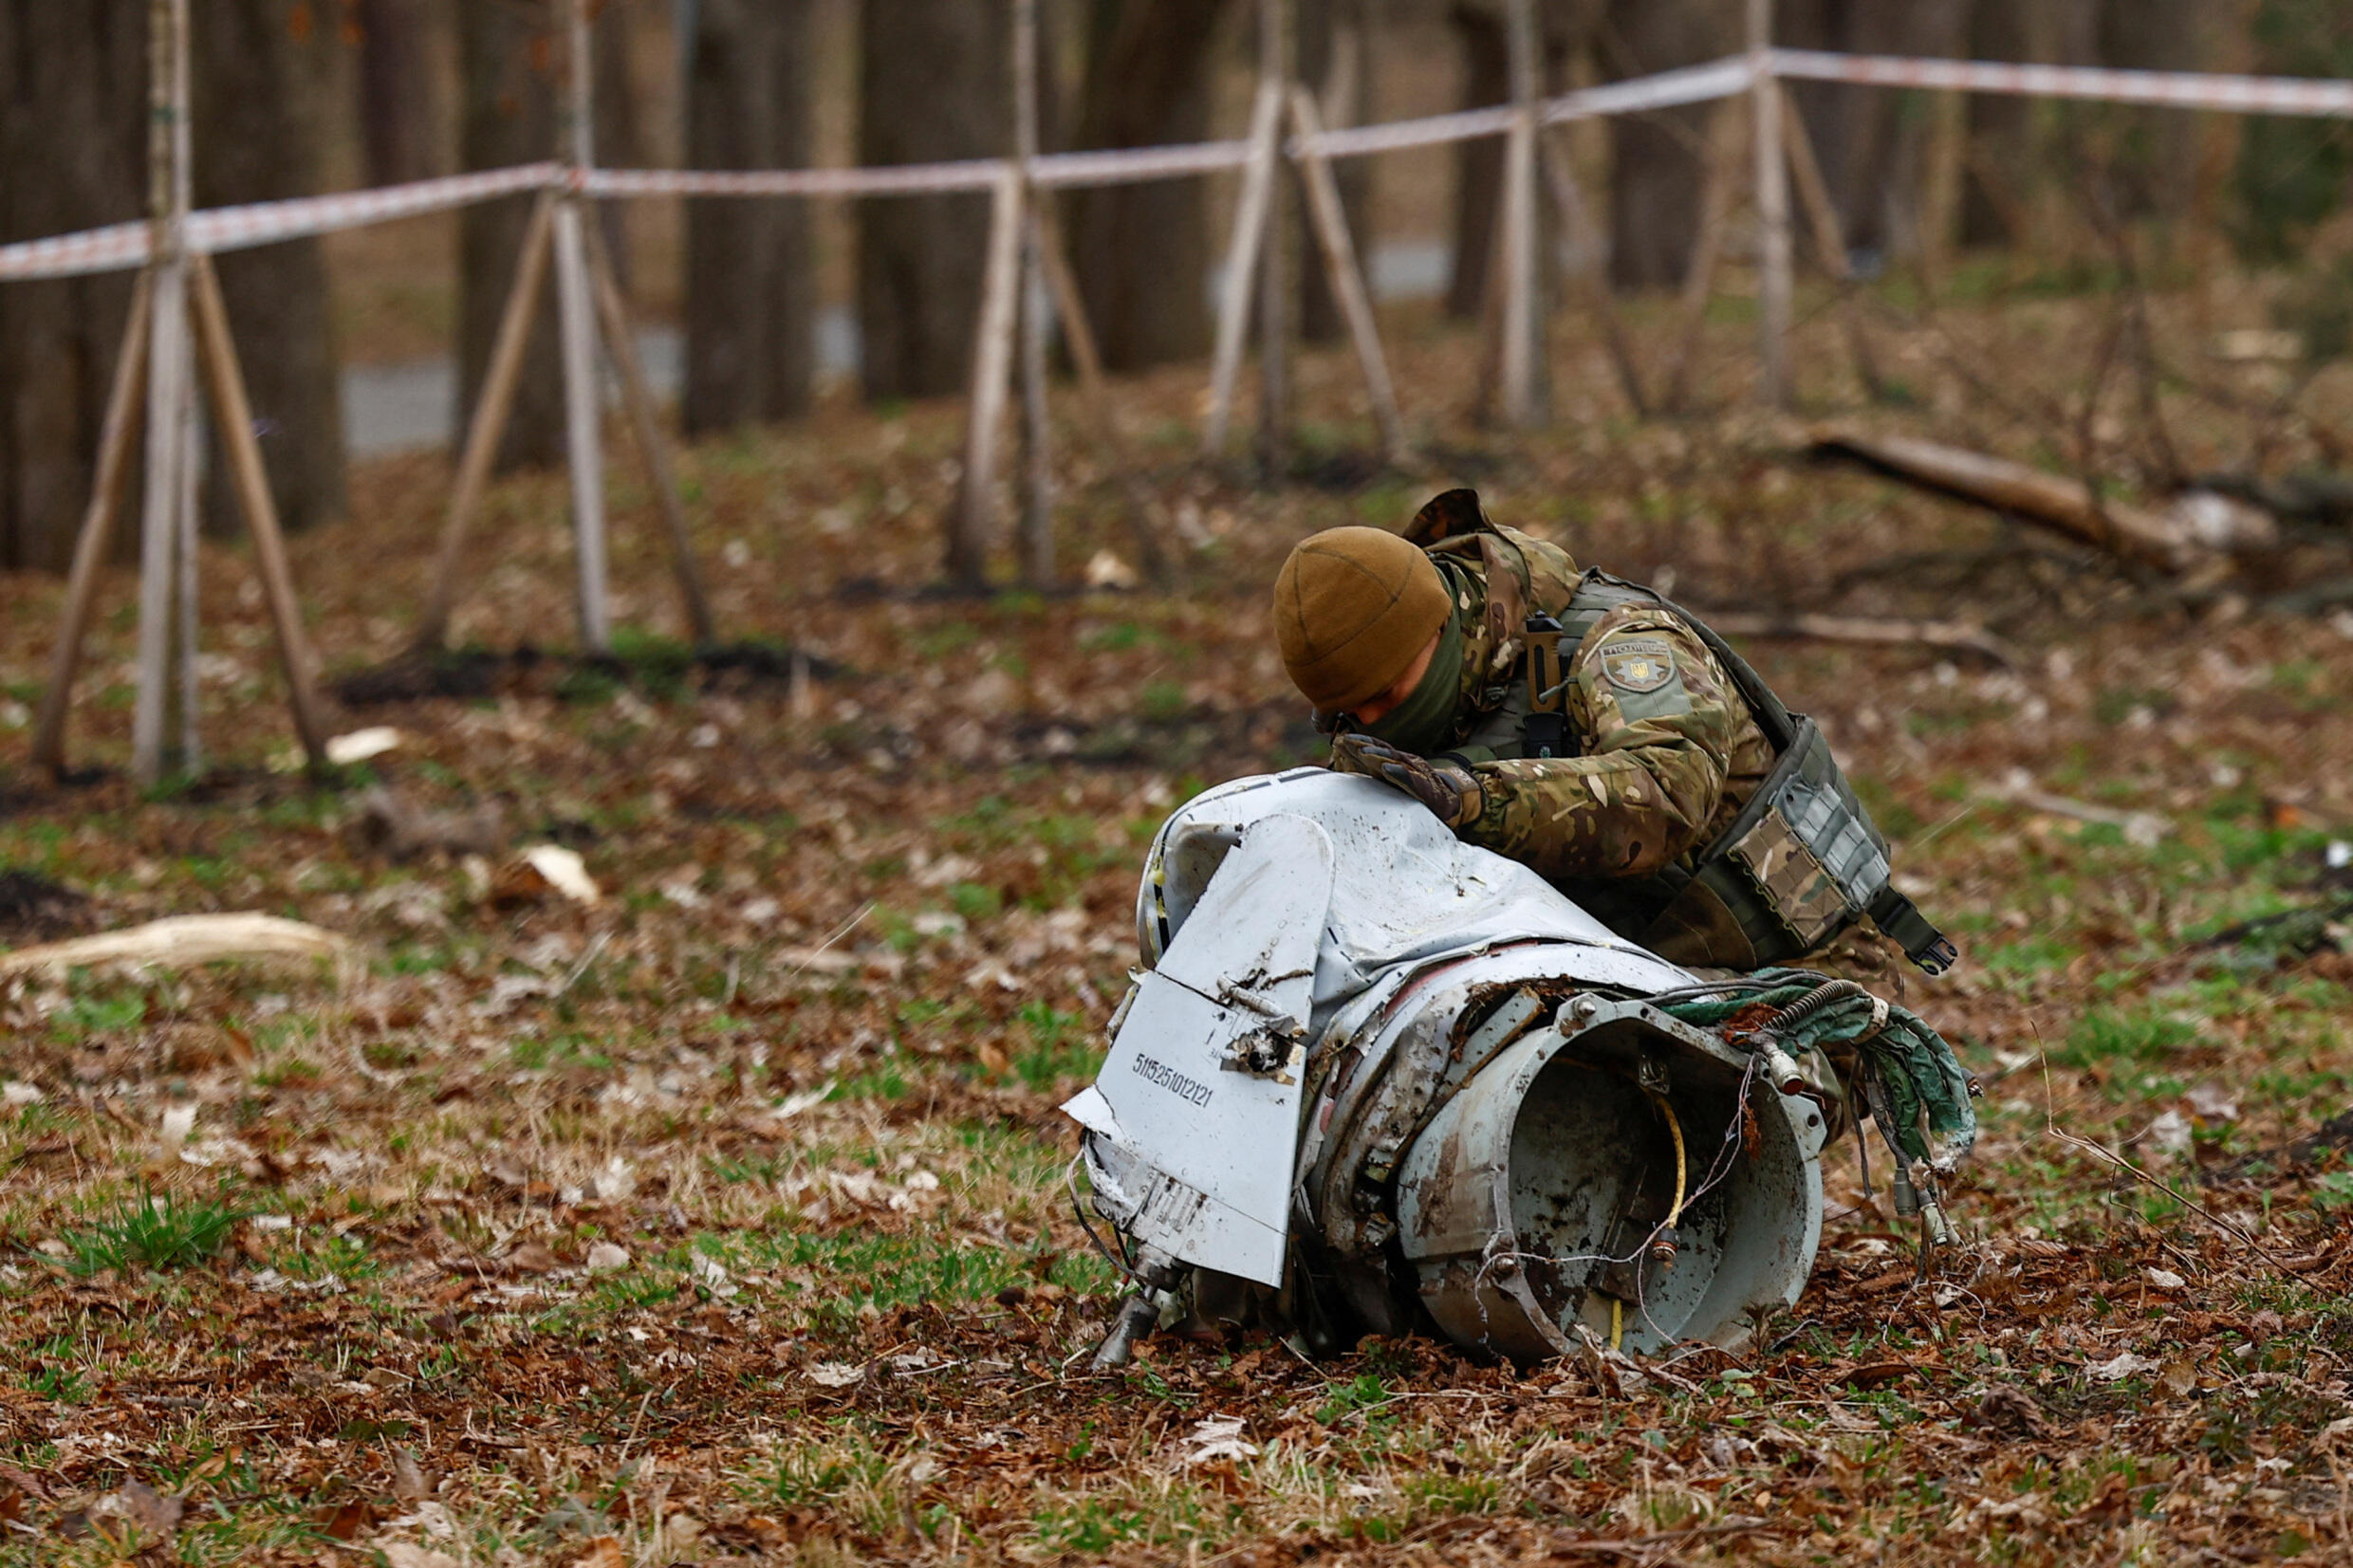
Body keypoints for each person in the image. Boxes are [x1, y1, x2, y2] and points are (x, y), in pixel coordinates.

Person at [1270, 488, 1954, 974]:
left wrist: (1470, 800)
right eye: (1347, 715)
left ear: (1439, 623)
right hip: (1609, 974)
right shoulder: (1386, 708)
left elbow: (1665, 795)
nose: (1373, 724)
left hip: (1798, 972)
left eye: (1388, 695)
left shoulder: (1618, 642)